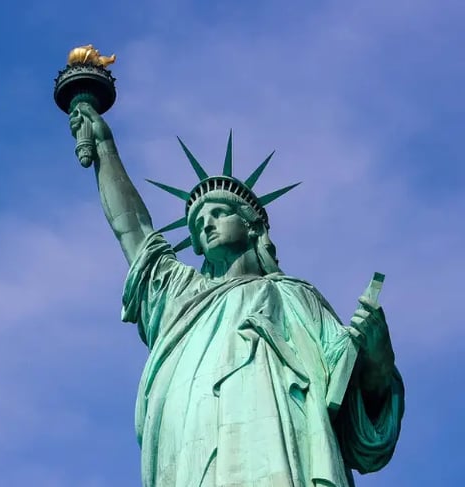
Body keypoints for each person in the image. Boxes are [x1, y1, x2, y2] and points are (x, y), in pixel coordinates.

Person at [69, 102, 404, 487]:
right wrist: (106, 152)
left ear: (253, 227)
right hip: (189, 456)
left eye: (218, 213)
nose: (206, 224)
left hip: (279, 452)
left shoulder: (295, 299)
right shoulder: (181, 297)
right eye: (198, 223)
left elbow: (350, 401)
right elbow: (134, 232)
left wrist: (378, 360)